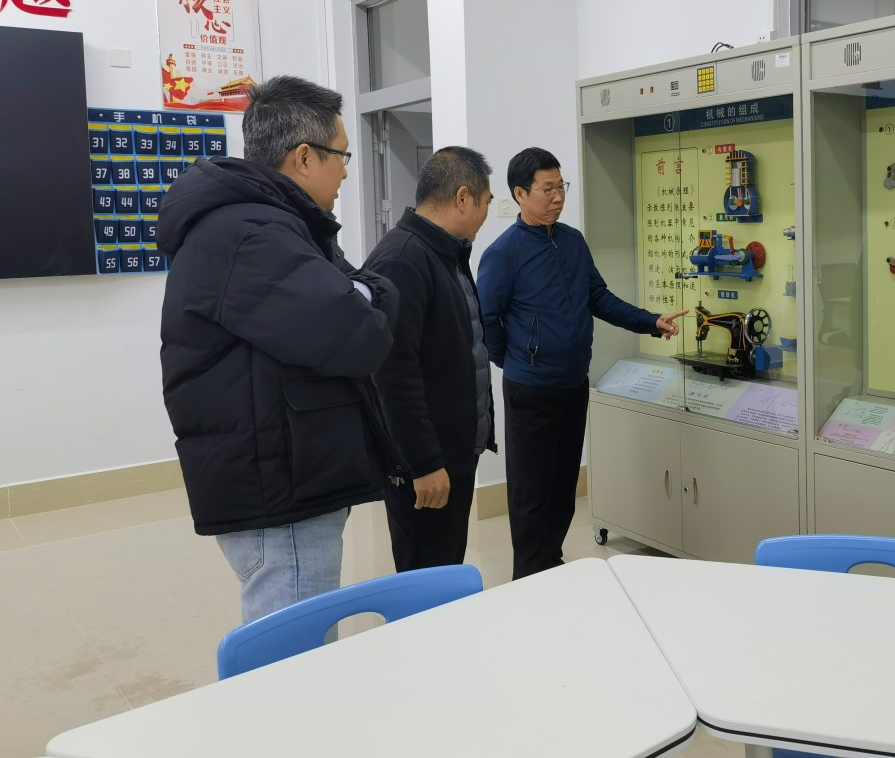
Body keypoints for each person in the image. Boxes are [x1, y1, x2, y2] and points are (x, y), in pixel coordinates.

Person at [158, 75, 404, 625]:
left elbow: (368, 292)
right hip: (281, 484)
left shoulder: (271, 224)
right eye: (342, 155)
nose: (346, 172)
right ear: (304, 157)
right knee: (293, 651)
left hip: (285, 470)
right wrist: (363, 297)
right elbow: (358, 335)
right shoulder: (253, 234)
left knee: (293, 640)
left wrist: (363, 295)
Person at [478, 147, 687, 579]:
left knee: (563, 484)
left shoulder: (572, 241)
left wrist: (650, 321)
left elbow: (598, 297)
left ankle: (552, 562)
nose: (558, 197)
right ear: (520, 194)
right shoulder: (504, 253)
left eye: (561, 187)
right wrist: (513, 359)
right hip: (531, 388)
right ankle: (529, 576)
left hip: (574, 383)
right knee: (531, 489)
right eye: (547, 189)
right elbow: (486, 318)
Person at [363, 147, 497, 571]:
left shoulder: (443, 252)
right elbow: (392, 375)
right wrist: (423, 464)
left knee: (446, 567)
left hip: (453, 452)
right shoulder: (403, 260)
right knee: (426, 576)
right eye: (486, 201)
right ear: (463, 197)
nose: (487, 213)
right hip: (427, 463)